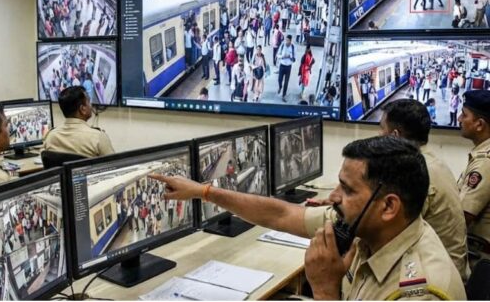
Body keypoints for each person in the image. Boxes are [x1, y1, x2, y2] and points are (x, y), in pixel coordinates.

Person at [149, 136, 465, 300]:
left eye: (347, 189)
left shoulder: (420, 292)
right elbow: (282, 213)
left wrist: (325, 291)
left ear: (388, 207)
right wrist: (204, 191)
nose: (333, 197)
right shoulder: (371, 228)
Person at [379, 99, 469, 281]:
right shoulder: (433, 162)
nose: (379, 135)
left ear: (395, 136)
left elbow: (387, 230)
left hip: (435, 277)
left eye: (382, 129)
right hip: (448, 267)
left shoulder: (414, 172)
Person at [457, 90, 490, 259]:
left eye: (464, 115)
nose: (459, 119)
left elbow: (461, 217)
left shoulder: (485, 162)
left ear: (479, 124)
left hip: (480, 259)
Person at [44, 86, 114, 157]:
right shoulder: (98, 137)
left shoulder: (50, 137)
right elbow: (113, 163)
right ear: (82, 109)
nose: (91, 105)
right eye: (89, 101)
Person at [276, 34, 296, 103]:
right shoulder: (282, 46)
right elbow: (277, 55)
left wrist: (290, 57)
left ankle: (284, 95)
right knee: (279, 79)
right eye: (286, 40)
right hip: (282, 65)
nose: (286, 42)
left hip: (288, 67)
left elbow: (294, 59)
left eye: (288, 40)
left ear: (290, 41)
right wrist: (282, 56)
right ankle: (280, 86)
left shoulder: (293, 47)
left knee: (286, 82)